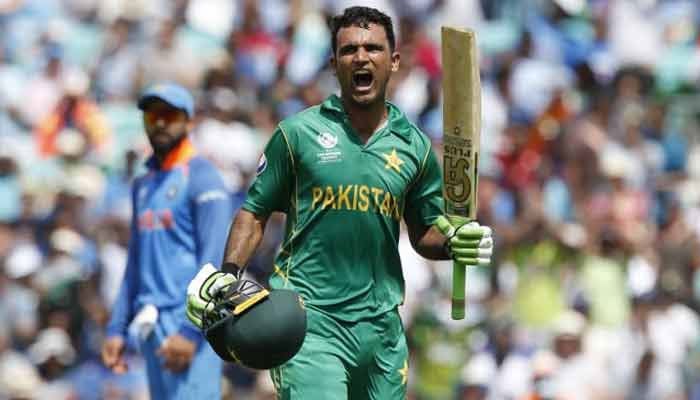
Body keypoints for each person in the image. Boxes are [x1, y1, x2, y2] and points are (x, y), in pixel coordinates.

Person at [187, 6, 493, 400]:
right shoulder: (298, 134)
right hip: (311, 323)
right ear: (334, 63)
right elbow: (254, 212)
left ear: (394, 61)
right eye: (349, 50)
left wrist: (454, 243)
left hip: (382, 329)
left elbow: (424, 233)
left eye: (373, 48)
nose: (361, 58)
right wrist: (230, 271)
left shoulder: (415, 145)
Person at [101, 82, 232, 399]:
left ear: (188, 121)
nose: (159, 123)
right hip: (151, 325)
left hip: (188, 323)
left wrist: (192, 331)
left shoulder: (202, 176)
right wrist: (117, 327)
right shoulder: (143, 184)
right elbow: (136, 262)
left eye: (169, 115)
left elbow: (216, 260)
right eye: (151, 115)